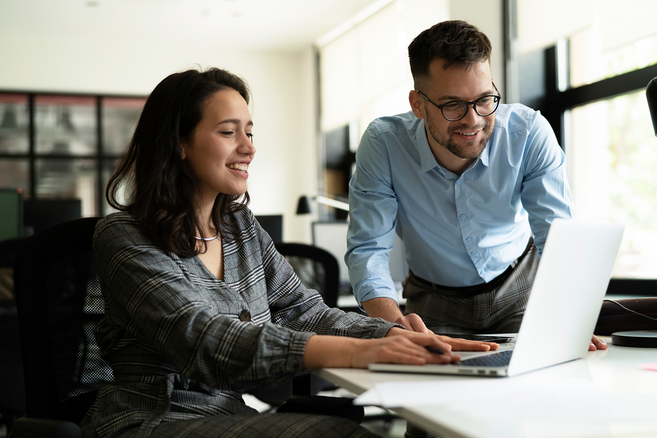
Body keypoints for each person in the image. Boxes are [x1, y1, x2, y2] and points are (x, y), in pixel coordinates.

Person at [80, 67, 497, 438]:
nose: (248, 147)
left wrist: (393, 334)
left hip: (228, 415)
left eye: (250, 132)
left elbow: (305, 312)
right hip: (151, 421)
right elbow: (205, 343)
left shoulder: (240, 229)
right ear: (179, 143)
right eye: (229, 132)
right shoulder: (124, 236)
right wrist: (361, 351)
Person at [346, 20, 607, 351]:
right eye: (452, 105)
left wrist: (572, 318)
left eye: (484, 99)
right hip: (434, 298)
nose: (473, 120)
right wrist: (395, 325)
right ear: (418, 105)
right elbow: (369, 250)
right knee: (432, 393)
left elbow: (557, 235)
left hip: (520, 286)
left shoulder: (528, 133)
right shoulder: (384, 144)